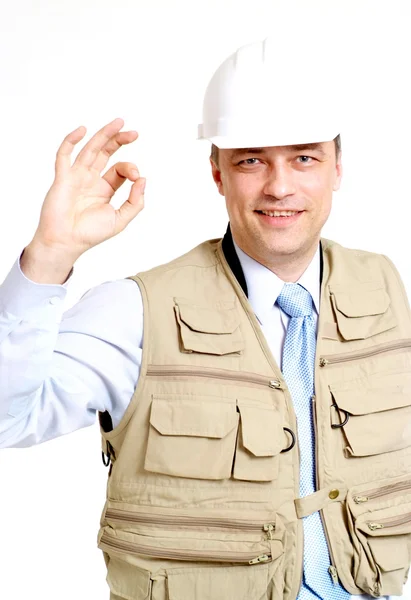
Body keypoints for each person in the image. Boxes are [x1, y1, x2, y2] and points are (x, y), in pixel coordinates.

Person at [1, 38, 410, 600]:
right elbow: (7, 419)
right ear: (217, 172)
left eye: (304, 157)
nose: (279, 186)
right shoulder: (135, 310)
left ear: (338, 168)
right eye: (251, 160)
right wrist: (49, 256)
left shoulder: (390, 289)